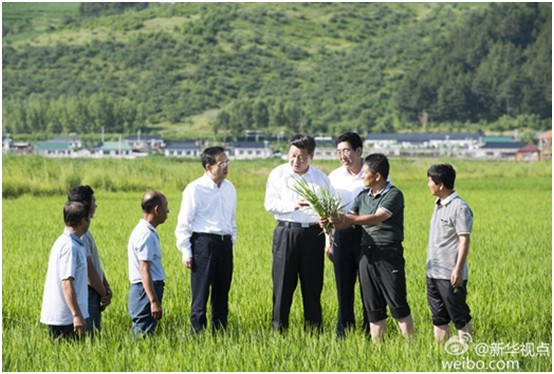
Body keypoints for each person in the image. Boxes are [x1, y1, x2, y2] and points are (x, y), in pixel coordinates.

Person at [325, 153, 414, 340]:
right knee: (373, 306)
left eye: (365, 172)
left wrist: (345, 218)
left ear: (377, 176)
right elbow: (347, 223)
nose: (362, 175)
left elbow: (376, 218)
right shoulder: (362, 195)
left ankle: (411, 346)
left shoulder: (394, 194)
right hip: (366, 254)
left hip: (388, 253)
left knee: (397, 303)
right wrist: (331, 222)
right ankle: (377, 347)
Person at [265, 134, 330, 331]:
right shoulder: (278, 174)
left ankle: (314, 332)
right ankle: (279, 331)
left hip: (313, 235)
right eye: (292, 155)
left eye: (301, 157)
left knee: (312, 286)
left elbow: (327, 209)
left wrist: (328, 238)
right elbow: (270, 204)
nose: (295, 161)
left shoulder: (321, 178)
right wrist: (292, 205)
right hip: (286, 232)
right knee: (283, 286)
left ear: (311, 155)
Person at [175, 147, 237, 333]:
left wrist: (230, 241)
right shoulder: (195, 189)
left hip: (224, 244)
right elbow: (184, 222)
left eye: (227, 162)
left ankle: (220, 334)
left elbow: (231, 219)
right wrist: (186, 251)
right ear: (208, 167)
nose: (226, 167)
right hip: (203, 244)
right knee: (201, 295)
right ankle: (197, 336)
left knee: (221, 295)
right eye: (221, 163)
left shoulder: (229, 188)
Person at [426, 164, 473, 343]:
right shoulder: (438, 205)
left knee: (460, 317)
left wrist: (458, 270)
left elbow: (464, 239)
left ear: (441, 185)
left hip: (450, 274)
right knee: (439, 317)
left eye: (430, 181)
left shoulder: (460, 207)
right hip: (433, 272)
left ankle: (467, 353)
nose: (428, 184)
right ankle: (441, 355)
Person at [327, 132, 368, 337]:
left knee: (368, 286)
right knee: (343, 286)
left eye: (346, 150)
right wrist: (329, 241)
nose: (342, 155)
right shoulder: (334, 176)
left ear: (359, 151)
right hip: (341, 235)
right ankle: (344, 331)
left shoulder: (372, 173)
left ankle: (371, 331)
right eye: (339, 151)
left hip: (367, 235)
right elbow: (326, 210)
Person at [40, 201, 91, 341]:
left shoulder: (65, 242)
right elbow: (67, 282)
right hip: (66, 319)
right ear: (82, 222)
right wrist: (76, 315)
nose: (89, 222)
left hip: (66, 316)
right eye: (88, 219)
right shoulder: (70, 247)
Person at [67, 185, 112, 335]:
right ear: (85, 204)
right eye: (93, 201)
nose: (96, 205)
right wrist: (103, 292)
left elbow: (95, 264)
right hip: (89, 292)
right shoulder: (81, 235)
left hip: (95, 290)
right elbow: (89, 271)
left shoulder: (84, 231)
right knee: (90, 336)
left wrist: (105, 285)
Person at [127, 191, 169, 336]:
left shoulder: (145, 231)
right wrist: (153, 301)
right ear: (156, 209)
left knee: (145, 333)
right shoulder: (145, 234)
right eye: (165, 206)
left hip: (145, 290)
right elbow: (144, 269)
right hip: (145, 291)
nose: (168, 210)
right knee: (142, 335)